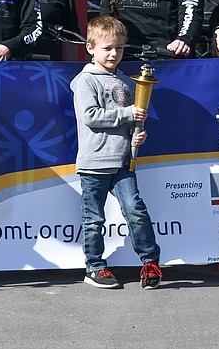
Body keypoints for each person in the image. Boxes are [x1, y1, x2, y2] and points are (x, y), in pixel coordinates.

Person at [71, 15, 162, 289]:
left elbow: (130, 123)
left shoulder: (124, 81)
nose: (114, 53)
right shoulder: (85, 81)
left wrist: (137, 134)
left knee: (136, 211)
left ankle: (150, 262)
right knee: (94, 219)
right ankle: (95, 267)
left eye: (120, 48)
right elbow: (90, 116)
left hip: (124, 162)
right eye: (107, 48)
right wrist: (127, 113)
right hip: (94, 163)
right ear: (90, 48)